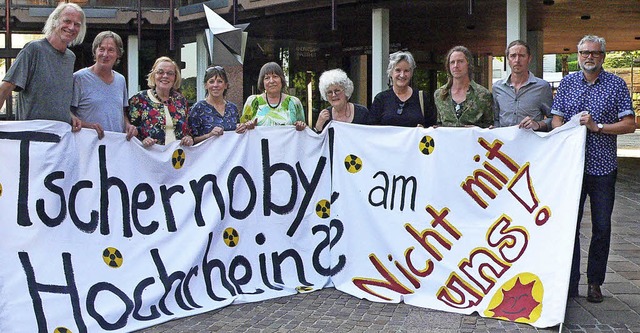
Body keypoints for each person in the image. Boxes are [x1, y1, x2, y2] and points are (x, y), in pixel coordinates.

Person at [551, 35, 636, 303]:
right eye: (585, 52)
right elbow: (556, 120)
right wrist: (564, 132)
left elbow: (630, 124)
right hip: (571, 169)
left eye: (595, 53)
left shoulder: (616, 85)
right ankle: (571, 281)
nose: (589, 57)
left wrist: (598, 127)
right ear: (578, 55)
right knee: (569, 226)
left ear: (603, 56)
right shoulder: (566, 83)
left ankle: (594, 282)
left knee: (601, 227)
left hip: (603, 168)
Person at [0, 2, 85, 131]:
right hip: (32, 138)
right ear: (55, 21)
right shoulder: (34, 49)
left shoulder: (70, 57)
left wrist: (70, 115)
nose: (71, 27)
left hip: (59, 138)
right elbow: (5, 88)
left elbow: (54, 99)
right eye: (67, 21)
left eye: (77, 24)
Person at [71, 31, 137, 140]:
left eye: (111, 50)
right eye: (101, 49)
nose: (105, 54)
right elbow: (68, 114)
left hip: (115, 146)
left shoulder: (121, 80)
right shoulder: (79, 78)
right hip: (87, 145)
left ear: (118, 54)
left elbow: (122, 113)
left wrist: (128, 126)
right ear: (95, 51)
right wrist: (88, 126)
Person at [129, 56, 193, 147]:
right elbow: (129, 131)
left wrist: (189, 138)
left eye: (170, 73)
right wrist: (142, 140)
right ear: (153, 75)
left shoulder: (181, 101)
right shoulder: (139, 100)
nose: (165, 76)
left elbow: (189, 131)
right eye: (160, 72)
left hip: (177, 157)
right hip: (149, 156)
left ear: (175, 77)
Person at [493, 40, 554, 131]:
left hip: (531, 141)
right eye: (513, 56)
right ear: (508, 59)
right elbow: (496, 119)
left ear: (529, 58)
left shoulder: (542, 87)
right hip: (505, 142)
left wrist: (537, 124)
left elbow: (553, 118)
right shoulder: (497, 87)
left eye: (522, 56)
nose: (517, 60)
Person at [369, 51, 437, 127]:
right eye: (398, 70)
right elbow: (372, 130)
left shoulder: (422, 98)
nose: (402, 75)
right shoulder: (381, 99)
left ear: (411, 73)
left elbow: (432, 129)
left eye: (406, 71)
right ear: (391, 72)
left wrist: (423, 130)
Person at [434, 46, 493, 128]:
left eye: (460, 61)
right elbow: (439, 123)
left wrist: (477, 129)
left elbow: (489, 126)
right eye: (452, 62)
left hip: (473, 140)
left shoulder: (483, 94)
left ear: (468, 64)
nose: (455, 65)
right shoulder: (439, 94)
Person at [238, 62, 306, 133]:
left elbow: (303, 129)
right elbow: (241, 128)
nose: (271, 81)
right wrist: (247, 126)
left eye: (275, 76)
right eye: (267, 78)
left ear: (281, 79)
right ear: (262, 82)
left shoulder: (294, 102)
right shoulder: (253, 101)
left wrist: (301, 125)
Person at [189, 65, 241, 143]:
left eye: (220, 81)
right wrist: (209, 135)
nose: (215, 85)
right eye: (211, 81)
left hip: (231, 154)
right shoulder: (198, 108)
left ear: (226, 85)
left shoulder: (233, 108)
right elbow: (191, 140)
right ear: (205, 85)